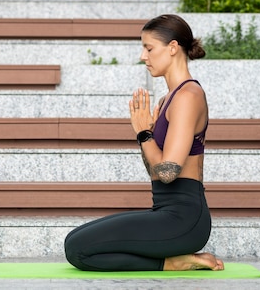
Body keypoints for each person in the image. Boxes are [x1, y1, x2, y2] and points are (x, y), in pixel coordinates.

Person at [64, 14, 224, 272]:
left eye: (149, 48)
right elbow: (155, 171)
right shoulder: (166, 100)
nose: (143, 56)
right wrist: (146, 134)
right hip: (165, 211)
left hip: (183, 220)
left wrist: (143, 134)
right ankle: (172, 260)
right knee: (73, 240)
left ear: (172, 48)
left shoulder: (188, 96)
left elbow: (169, 172)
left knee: (78, 251)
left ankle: (172, 264)